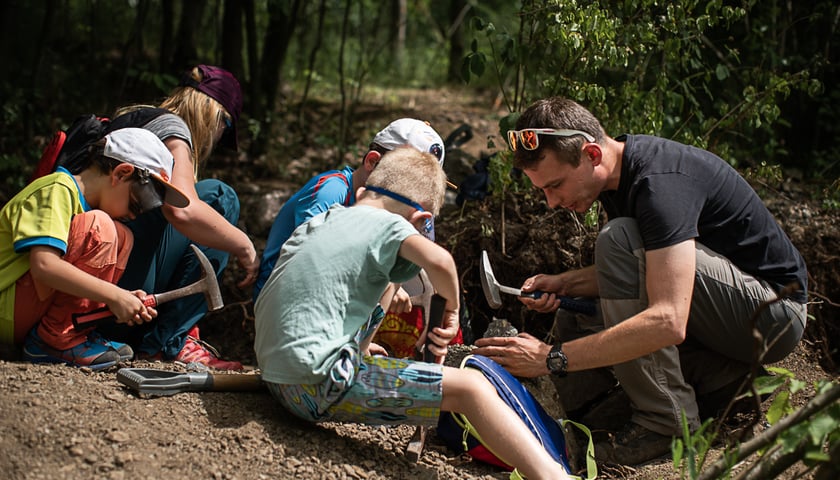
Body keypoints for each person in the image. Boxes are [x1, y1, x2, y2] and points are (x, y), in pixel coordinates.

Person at [472, 97, 808, 466]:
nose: (551, 202)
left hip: (772, 313)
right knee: (579, 317)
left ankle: (667, 423)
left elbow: (668, 320)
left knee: (617, 242)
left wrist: (550, 358)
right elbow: (652, 267)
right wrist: (564, 284)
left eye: (555, 185)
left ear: (592, 155)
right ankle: (590, 415)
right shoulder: (620, 177)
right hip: (726, 311)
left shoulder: (659, 185)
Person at [254, 148, 571, 480]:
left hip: (276, 376)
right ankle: (553, 476)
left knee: (387, 276)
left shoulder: (325, 219)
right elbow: (442, 262)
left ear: (362, 193)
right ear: (422, 221)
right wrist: (451, 311)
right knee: (471, 389)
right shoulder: (390, 226)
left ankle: (356, 353)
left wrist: (359, 347)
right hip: (315, 386)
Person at [103, 65, 258, 370]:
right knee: (217, 197)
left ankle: (167, 335)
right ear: (214, 115)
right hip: (115, 298)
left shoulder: (135, 118)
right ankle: (169, 342)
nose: (217, 137)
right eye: (225, 127)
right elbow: (182, 210)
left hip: (89, 295)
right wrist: (244, 245)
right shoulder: (173, 132)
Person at [0, 128, 190, 370]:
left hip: (25, 309)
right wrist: (113, 294)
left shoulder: (83, 206)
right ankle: (55, 340)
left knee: (123, 236)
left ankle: (66, 335)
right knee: (101, 227)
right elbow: (44, 266)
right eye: (138, 202)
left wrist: (122, 298)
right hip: (6, 307)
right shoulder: (55, 189)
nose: (135, 214)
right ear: (121, 173)